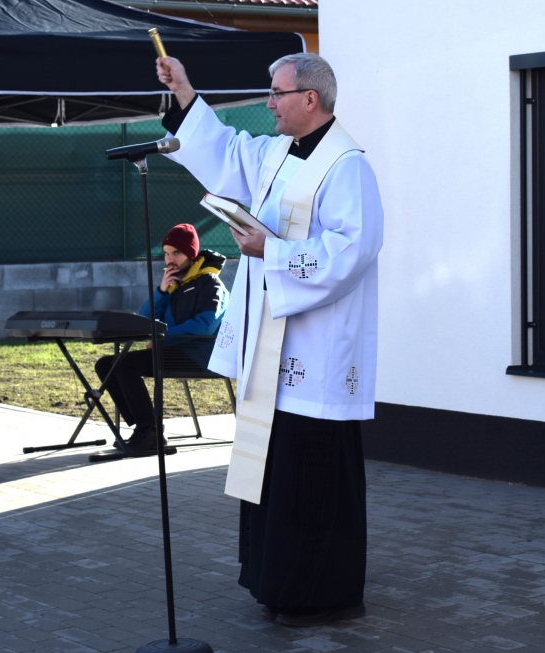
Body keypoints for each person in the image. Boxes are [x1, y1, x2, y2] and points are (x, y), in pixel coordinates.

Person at [156, 53, 383, 626]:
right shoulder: (276, 153)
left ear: (310, 98)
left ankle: (325, 594)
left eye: (277, 93)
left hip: (315, 350)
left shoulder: (348, 167)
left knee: (312, 473)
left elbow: (352, 250)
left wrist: (271, 251)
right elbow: (224, 152)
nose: (268, 102)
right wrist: (184, 90)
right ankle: (276, 583)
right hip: (269, 345)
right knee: (274, 472)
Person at [95, 223, 228, 452]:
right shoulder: (175, 286)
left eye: (176, 253)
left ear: (191, 254)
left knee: (123, 365)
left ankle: (149, 431)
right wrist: (162, 292)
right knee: (106, 364)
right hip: (173, 352)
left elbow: (205, 326)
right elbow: (144, 320)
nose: (170, 260)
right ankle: (145, 428)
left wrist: (164, 339)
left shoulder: (211, 284)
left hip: (200, 356)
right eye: (166, 253)